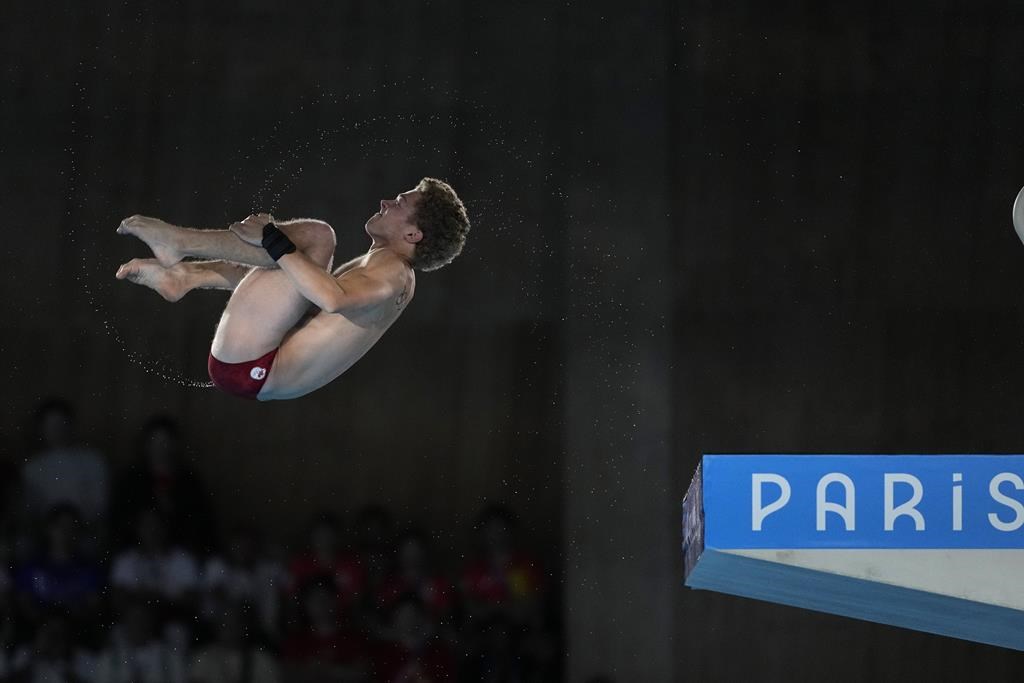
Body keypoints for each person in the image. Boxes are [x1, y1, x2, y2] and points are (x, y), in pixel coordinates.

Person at [114, 178, 470, 401]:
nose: (385, 203)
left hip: (257, 367)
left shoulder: (393, 273)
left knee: (317, 237)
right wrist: (272, 248)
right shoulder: (386, 272)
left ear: (413, 235)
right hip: (255, 371)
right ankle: (186, 275)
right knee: (292, 260)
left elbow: (331, 299)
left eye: (399, 203)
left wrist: (271, 237)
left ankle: (177, 243)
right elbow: (293, 293)